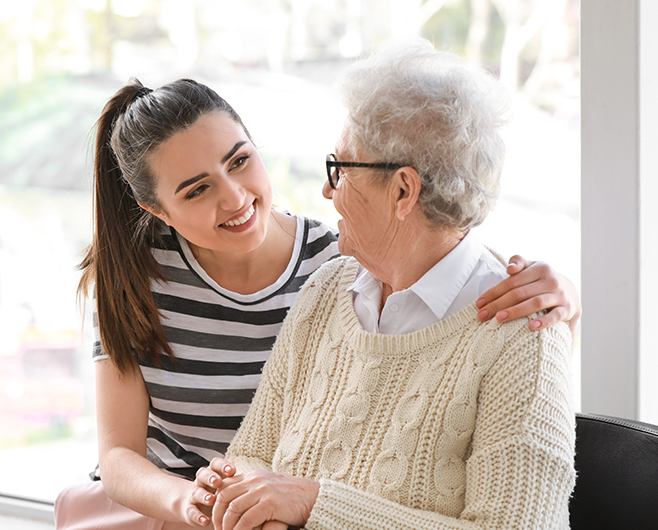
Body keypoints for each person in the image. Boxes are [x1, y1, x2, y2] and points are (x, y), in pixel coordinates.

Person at [54, 73, 580, 529]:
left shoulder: (332, 261)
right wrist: (203, 498)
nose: (235, 198)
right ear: (157, 209)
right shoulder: (331, 287)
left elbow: (444, 243)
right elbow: (126, 454)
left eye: (240, 161)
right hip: (171, 503)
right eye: (196, 190)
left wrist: (559, 300)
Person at [190, 40, 576, 530]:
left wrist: (315, 505)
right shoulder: (329, 287)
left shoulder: (523, 337)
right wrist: (241, 493)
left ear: (402, 190)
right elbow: (253, 453)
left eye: (341, 169)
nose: (327, 191)